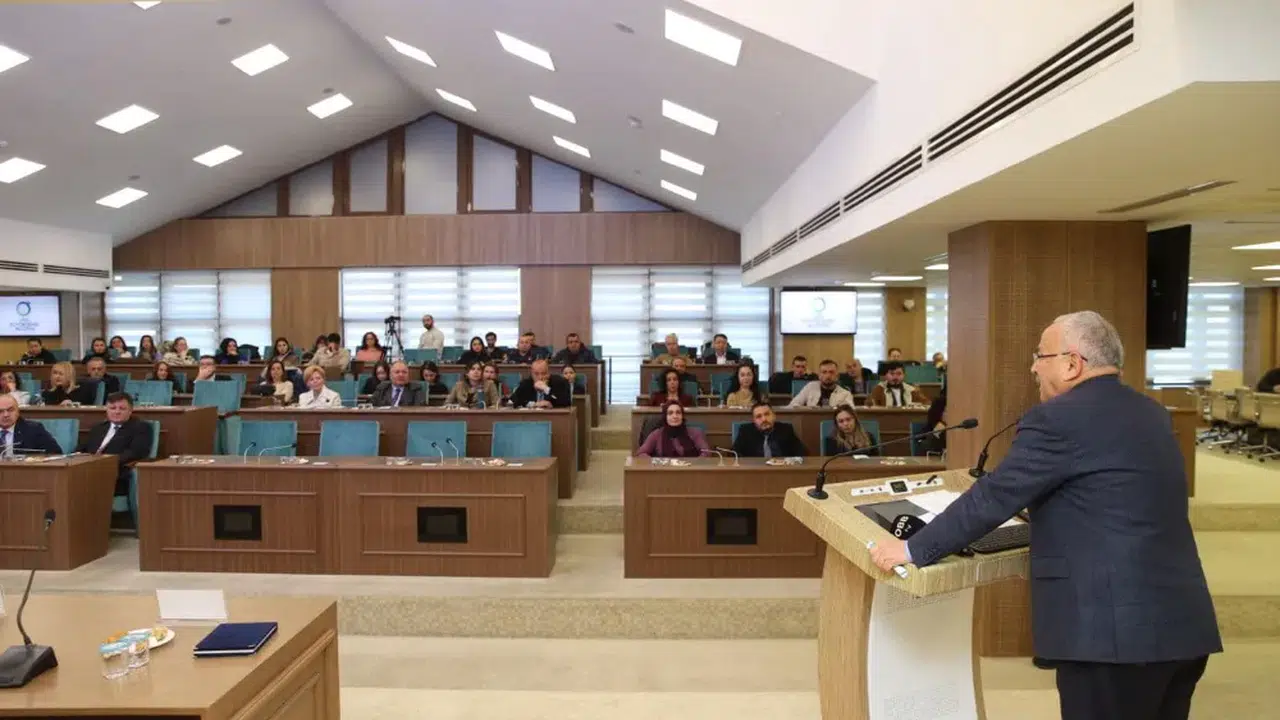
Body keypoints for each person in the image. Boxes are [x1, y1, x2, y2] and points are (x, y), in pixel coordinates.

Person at [869, 311, 1221, 720]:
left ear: (1072, 364)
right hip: (1182, 623)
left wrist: (912, 548)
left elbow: (993, 497)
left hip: (1112, 636)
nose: (1034, 367)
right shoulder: (1150, 412)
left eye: (1040, 355)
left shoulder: (1057, 419)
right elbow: (1114, 498)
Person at [75, 391, 152, 503]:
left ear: (130, 410)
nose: (117, 412)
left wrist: (104, 462)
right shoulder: (98, 428)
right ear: (107, 409)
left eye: (122, 408)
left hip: (115, 473)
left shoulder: (141, 427)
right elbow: (82, 447)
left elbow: (136, 452)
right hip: (88, 469)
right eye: (112, 408)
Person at [636, 401, 710, 458]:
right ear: (665, 417)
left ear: (682, 416)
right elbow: (641, 453)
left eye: (678, 413)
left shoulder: (695, 432)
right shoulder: (656, 434)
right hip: (663, 471)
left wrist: (695, 464)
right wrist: (654, 463)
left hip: (690, 470)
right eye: (670, 413)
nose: (675, 416)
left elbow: (706, 452)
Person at [732, 402, 807, 458]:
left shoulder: (786, 429)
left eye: (767, 414)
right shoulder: (745, 431)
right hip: (755, 470)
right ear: (754, 420)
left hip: (782, 469)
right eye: (759, 416)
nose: (764, 419)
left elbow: (802, 452)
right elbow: (733, 454)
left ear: (774, 416)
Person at [790, 359, 856, 408]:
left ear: (837, 376)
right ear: (819, 375)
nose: (828, 375)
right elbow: (793, 405)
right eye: (824, 372)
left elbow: (850, 412)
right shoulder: (810, 387)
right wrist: (808, 408)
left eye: (831, 372)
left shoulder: (845, 394)